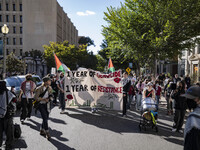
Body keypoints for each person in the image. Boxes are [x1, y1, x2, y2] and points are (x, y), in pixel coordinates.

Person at [0, 81, 16, 150]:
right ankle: (8, 144)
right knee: (9, 131)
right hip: (7, 115)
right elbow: (14, 102)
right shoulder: (8, 93)